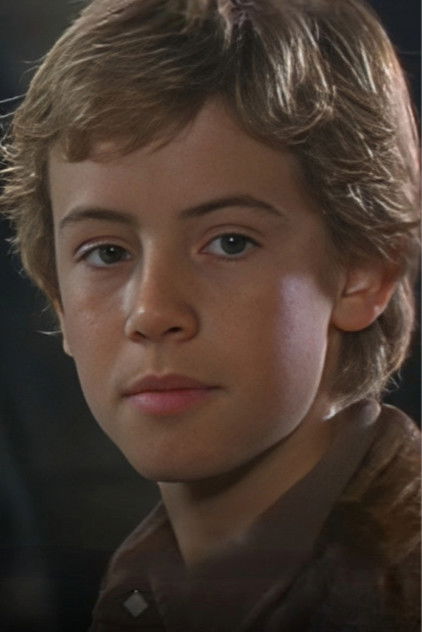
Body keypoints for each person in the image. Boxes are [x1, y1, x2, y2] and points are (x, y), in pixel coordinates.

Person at [1, 0, 420, 630]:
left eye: (230, 243)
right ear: (57, 298)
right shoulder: (144, 588)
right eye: (107, 252)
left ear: (364, 273)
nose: (152, 311)